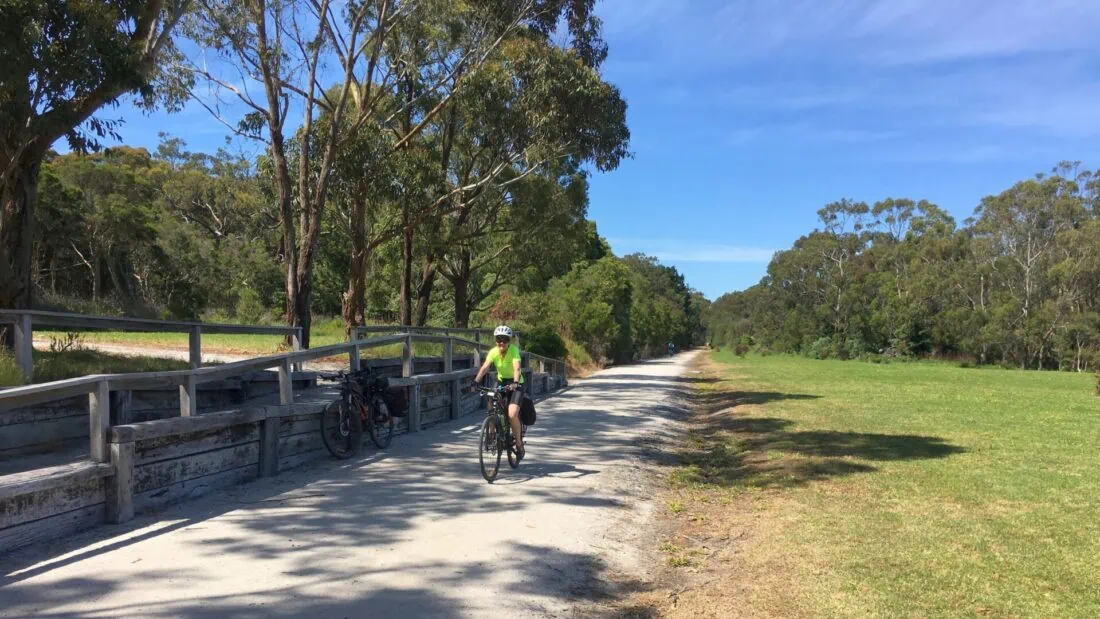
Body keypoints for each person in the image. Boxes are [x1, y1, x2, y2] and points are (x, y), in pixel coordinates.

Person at [474, 325, 526, 458]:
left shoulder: (514, 350)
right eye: (498, 339)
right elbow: (485, 367)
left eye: (505, 339)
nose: (501, 342)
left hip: (516, 384)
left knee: (512, 414)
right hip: (502, 382)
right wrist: (476, 381)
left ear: (509, 340)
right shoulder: (493, 351)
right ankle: (492, 435)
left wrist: (515, 383)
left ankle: (519, 444)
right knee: (491, 403)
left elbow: (517, 368)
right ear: (496, 340)